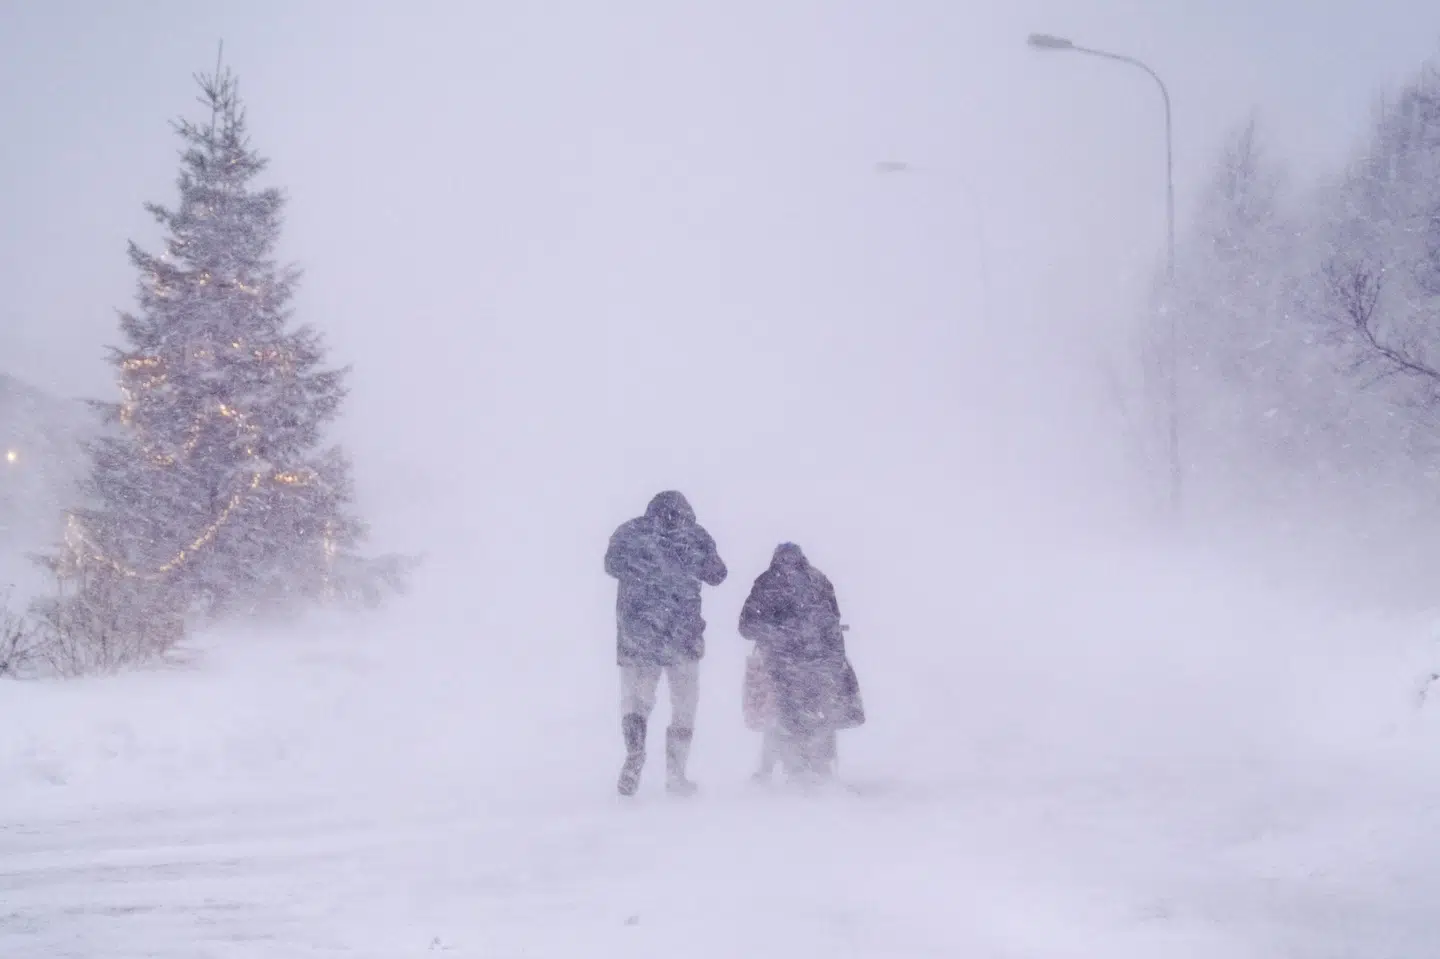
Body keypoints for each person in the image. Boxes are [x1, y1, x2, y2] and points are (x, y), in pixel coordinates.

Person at [604, 490, 727, 797]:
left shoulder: (630, 532)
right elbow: (718, 574)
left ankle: (634, 753)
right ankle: (676, 774)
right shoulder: (694, 535)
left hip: (638, 634)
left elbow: (611, 565)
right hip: (681, 635)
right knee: (684, 705)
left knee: (636, 702)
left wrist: (646, 570)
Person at [739, 543, 864, 784]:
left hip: (780, 663)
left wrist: (774, 633)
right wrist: (836, 661)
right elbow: (832, 623)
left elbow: (745, 627)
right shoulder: (818, 581)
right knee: (818, 714)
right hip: (817, 662)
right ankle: (819, 767)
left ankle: (782, 768)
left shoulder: (766, 582)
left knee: (782, 714)